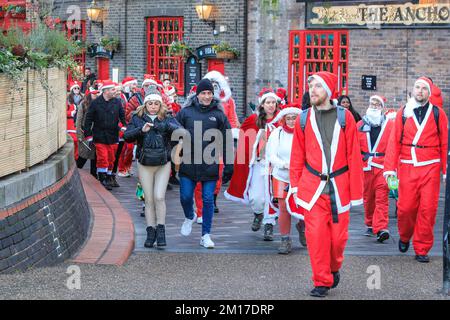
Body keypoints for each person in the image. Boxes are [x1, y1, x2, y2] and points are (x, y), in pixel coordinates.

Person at [287, 71, 364, 297]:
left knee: (338, 239)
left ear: (328, 91)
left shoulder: (345, 117)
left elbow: (354, 157)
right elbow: (297, 156)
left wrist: (356, 191)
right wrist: (295, 185)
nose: (313, 90)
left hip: (340, 187)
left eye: (318, 87)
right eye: (311, 86)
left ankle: (333, 267)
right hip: (313, 188)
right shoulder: (303, 118)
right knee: (316, 237)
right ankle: (321, 281)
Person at [384, 76, 448, 263]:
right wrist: (390, 169)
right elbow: (393, 142)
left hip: (431, 166)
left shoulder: (438, 114)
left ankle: (422, 248)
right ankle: (405, 236)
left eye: (424, 88)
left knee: (428, 209)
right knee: (405, 209)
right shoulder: (404, 112)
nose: (420, 91)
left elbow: (444, 144)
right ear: (412, 90)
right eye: (417, 87)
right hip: (407, 166)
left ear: (429, 93)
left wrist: (446, 170)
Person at [176, 78, 234, 249]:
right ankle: (189, 215)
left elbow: (227, 140)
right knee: (185, 197)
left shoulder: (219, 115)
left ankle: (206, 235)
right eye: (204, 93)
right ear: (198, 94)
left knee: (208, 199)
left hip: (210, 163)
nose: (207, 96)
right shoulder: (186, 112)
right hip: (189, 161)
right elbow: (174, 131)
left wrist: (229, 164)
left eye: (209, 93)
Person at [124, 88, 181, 248]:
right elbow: (126, 137)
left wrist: (167, 127)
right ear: (145, 104)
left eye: (156, 103)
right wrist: (140, 130)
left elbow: (181, 132)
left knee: (159, 197)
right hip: (144, 162)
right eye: (150, 103)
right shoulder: (137, 118)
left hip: (163, 162)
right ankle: (151, 231)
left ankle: (161, 230)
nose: (153, 106)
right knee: (148, 199)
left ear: (160, 104)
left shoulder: (167, 117)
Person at [225, 88, 281, 241]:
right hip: (258, 164)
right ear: (262, 104)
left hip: (275, 166)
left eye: (273, 103)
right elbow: (244, 137)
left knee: (273, 196)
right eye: (268, 102)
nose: (271, 105)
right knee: (257, 198)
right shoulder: (253, 120)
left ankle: (269, 225)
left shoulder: (281, 120)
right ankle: (258, 213)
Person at [193, 71, 241, 223]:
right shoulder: (199, 101)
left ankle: (213, 197)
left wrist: (233, 133)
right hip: (202, 142)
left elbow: (232, 118)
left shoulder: (228, 101)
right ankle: (200, 204)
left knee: (218, 172)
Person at [265, 104, 305, 254]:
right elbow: (271, 155)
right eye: (288, 118)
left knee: (302, 205)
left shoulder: (305, 133)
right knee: (283, 208)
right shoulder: (277, 134)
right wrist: (283, 164)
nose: (291, 121)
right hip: (282, 174)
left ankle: (302, 226)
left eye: (294, 118)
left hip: (301, 176)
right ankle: (285, 239)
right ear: (283, 119)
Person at [357, 95, 393, 242]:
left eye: (377, 104)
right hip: (365, 167)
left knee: (382, 198)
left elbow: (394, 147)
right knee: (368, 198)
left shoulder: (390, 125)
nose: (374, 106)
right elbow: (353, 147)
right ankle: (370, 223)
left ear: (382, 107)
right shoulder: (359, 125)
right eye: (372, 103)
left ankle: (381, 228)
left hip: (383, 166)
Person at [83, 80, 127, 190]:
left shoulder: (117, 102)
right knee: (103, 157)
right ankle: (102, 178)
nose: (115, 91)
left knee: (111, 158)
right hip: (99, 135)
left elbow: (122, 116)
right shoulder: (95, 103)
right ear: (106, 91)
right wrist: (88, 135)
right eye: (113, 89)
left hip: (113, 135)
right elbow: (88, 119)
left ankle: (108, 176)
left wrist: (124, 126)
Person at [76, 87, 100, 178]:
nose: (96, 95)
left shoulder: (99, 104)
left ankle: (94, 174)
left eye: (97, 93)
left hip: (96, 132)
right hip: (84, 132)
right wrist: (79, 134)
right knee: (84, 155)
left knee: (95, 155)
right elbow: (78, 120)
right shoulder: (83, 104)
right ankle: (77, 171)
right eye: (94, 93)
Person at [67, 81, 83, 160]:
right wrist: (71, 113)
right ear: (72, 90)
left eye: (78, 88)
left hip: (80, 122)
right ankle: (72, 157)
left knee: (79, 141)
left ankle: (76, 158)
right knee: (74, 140)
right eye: (75, 88)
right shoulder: (68, 100)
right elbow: (62, 112)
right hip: (71, 123)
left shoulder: (83, 98)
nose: (77, 89)